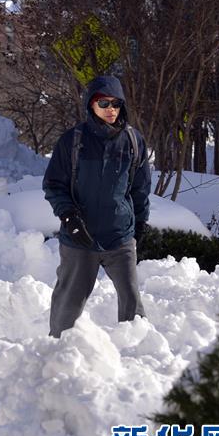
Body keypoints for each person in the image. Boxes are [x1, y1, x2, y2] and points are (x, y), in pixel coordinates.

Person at [43, 74, 152, 338]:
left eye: (116, 103)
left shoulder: (133, 141)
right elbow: (53, 185)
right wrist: (69, 219)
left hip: (119, 236)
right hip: (80, 239)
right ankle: (56, 350)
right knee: (67, 304)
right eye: (103, 103)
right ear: (90, 105)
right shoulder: (72, 142)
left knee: (132, 304)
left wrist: (138, 227)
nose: (111, 109)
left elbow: (140, 189)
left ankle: (137, 352)